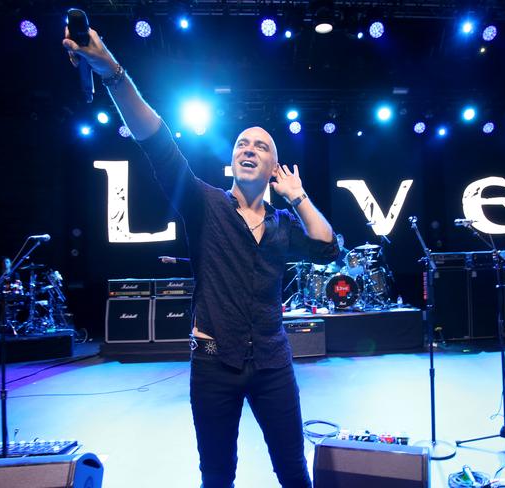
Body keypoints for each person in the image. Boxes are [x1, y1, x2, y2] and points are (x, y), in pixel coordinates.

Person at [63, 26, 338, 488]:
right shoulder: (203, 202)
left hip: (273, 360)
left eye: (262, 146)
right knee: (216, 474)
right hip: (211, 358)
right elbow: (157, 141)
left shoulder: (283, 226)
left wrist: (299, 197)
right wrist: (112, 71)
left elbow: (328, 248)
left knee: (292, 470)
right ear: (233, 160)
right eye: (242, 144)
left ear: (274, 168)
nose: (249, 149)